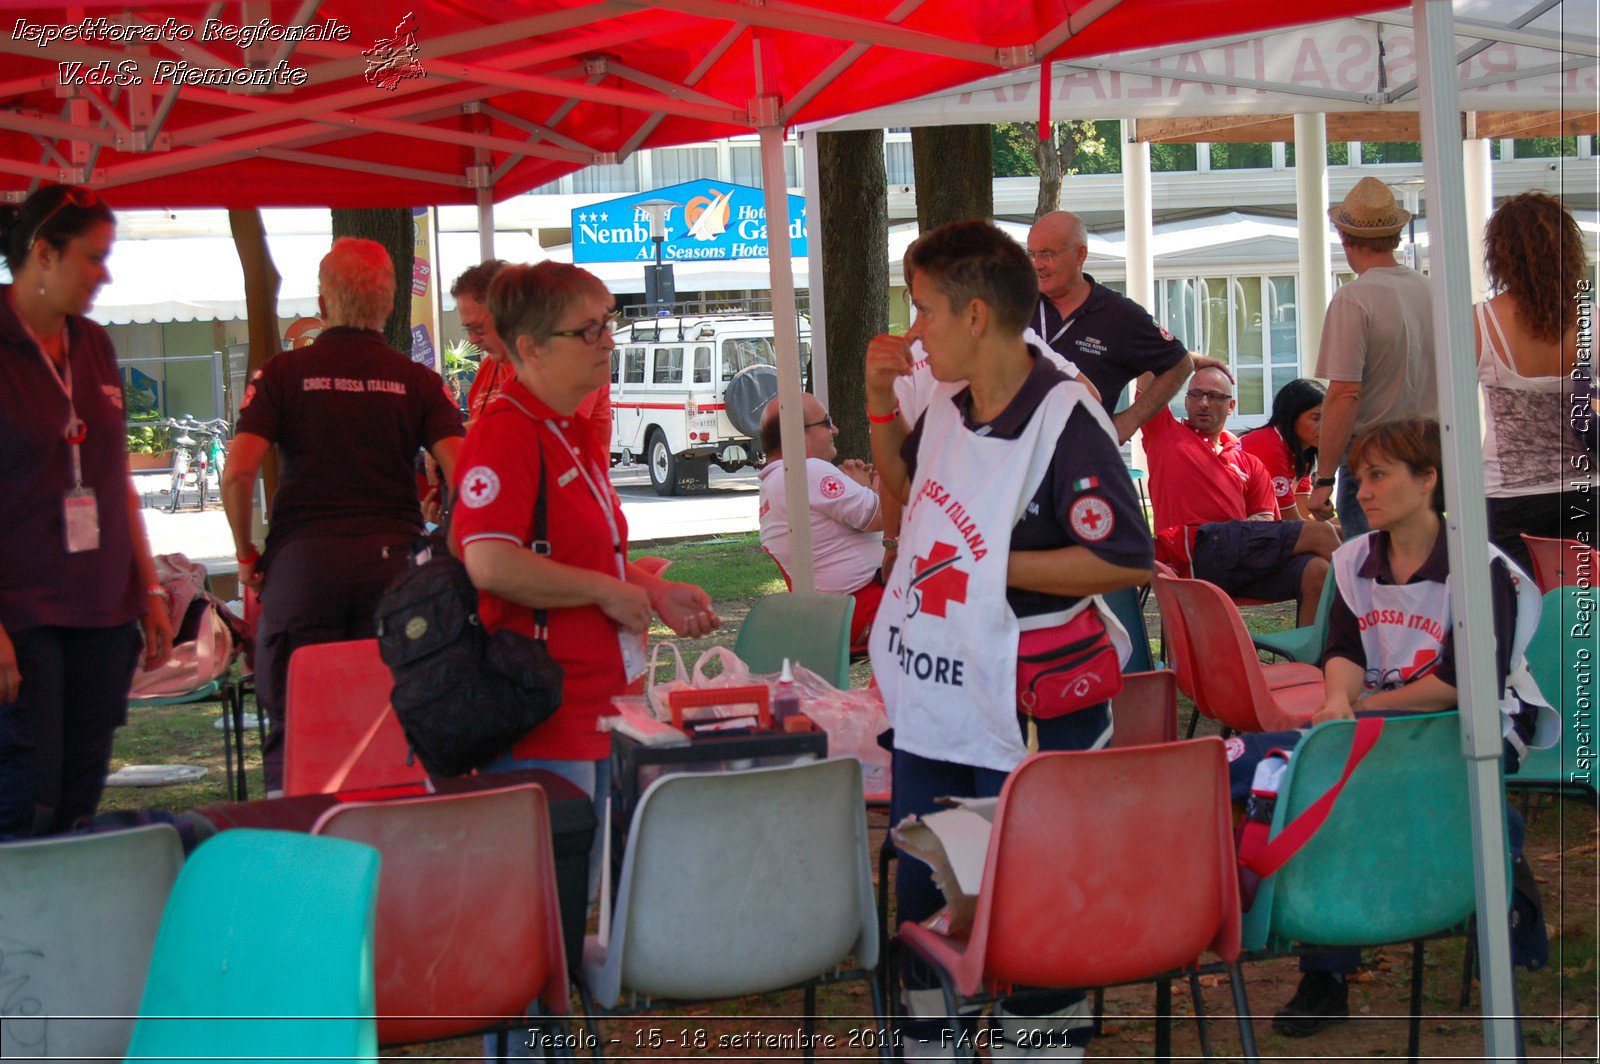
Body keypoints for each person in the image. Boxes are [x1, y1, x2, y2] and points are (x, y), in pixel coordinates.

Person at [866, 220, 1153, 1061]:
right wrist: (881, 404)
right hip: (940, 699)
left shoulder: (1065, 416)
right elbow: (912, 494)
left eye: (924, 311)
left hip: (1033, 703)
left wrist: (993, 564)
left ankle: (1043, 1050)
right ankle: (931, 1049)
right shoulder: (952, 408)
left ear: (979, 315)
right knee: (927, 888)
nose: (913, 330)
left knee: (1034, 900)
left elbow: (1120, 559)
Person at [1225, 417, 1554, 1036]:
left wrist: (1363, 710)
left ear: (1428, 479)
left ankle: (1327, 969)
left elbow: (1465, 683)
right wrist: (1337, 702)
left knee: (1329, 781)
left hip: (1468, 728)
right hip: (1382, 724)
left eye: (1379, 476)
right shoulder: (1355, 560)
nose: (1363, 491)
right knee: (1289, 769)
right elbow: (1343, 651)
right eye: (1359, 477)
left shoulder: (1480, 570)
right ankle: (1327, 962)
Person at [452, 261, 718, 893]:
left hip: (597, 701)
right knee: (550, 904)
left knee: (588, 892)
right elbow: (488, 561)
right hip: (545, 710)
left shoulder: (566, 427)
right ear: (530, 348)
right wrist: (607, 591)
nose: (608, 340)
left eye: (609, 323)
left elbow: (586, 550)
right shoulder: (507, 432)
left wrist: (652, 591)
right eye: (588, 330)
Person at [223, 237, 466, 792]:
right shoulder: (420, 381)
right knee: (393, 716)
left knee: (296, 717)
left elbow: (237, 473)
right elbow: (468, 471)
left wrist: (245, 555)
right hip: (396, 573)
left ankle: (299, 847)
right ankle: (385, 842)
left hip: (304, 569)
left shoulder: (282, 374)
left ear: (322, 302)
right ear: (388, 304)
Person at [0, 184, 174, 838]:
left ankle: (67, 931)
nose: (105, 274)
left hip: (102, 610)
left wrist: (149, 588)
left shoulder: (95, 344)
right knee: (22, 799)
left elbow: (114, 478)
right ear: (43, 253)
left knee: (79, 799)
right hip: (24, 614)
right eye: (93, 258)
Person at [1142, 367, 1340, 626]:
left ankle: (1311, 662)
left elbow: (1266, 524)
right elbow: (1147, 370)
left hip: (1235, 557)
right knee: (1322, 534)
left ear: (1231, 405)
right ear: (1187, 400)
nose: (1203, 403)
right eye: (1196, 394)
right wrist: (1195, 361)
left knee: (1317, 570)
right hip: (1192, 547)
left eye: (1214, 396)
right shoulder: (1166, 434)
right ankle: (1377, 611)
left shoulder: (1249, 462)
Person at [1308, 177, 1438, 534]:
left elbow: (1345, 393)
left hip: (1374, 454)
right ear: (1395, 237)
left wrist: (1324, 479)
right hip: (1429, 449)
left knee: (1373, 578)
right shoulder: (1430, 291)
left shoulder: (1354, 298)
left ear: (1346, 239)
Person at [1473, 191, 1593, 573]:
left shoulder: (1479, 323)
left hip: (1508, 498)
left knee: (1519, 614)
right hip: (1587, 488)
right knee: (1584, 612)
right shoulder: (1590, 320)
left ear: (1500, 255)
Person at [1025, 209, 1194, 442]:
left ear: (1079, 255)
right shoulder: (1014, 304)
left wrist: (1131, 420)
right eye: (1031, 254)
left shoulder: (1119, 315)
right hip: (1015, 462)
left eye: (1047, 254)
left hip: (1083, 461)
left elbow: (1179, 364)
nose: (1037, 264)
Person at [757, 393, 885, 648]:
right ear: (797, 433)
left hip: (834, 619)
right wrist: (878, 485)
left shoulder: (773, 486)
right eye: (826, 423)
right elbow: (884, 517)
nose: (835, 430)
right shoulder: (807, 471)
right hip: (870, 609)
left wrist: (860, 489)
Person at [1240, 378, 1328, 522]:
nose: (1325, 426)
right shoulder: (1269, 445)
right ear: (1292, 416)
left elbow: (1304, 514)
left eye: (1328, 418)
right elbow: (1290, 521)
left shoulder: (1301, 454)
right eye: (1316, 418)